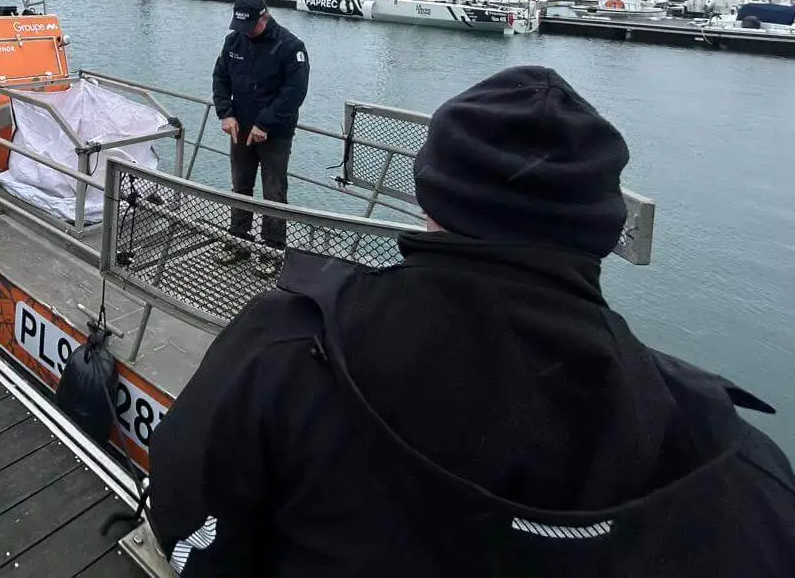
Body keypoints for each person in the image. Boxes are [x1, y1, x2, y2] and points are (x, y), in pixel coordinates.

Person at [148, 66, 795, 576]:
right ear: (601, 229)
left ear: (429, 198)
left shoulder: (286, 347)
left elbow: (183, 520)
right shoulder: (740, 465)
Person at [210, 0, 308, 266]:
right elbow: (220, 78)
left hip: (274, 133)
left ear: (265, 17)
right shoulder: (234, 41)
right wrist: (226, 114)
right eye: (240, 26)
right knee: (240, 185)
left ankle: (272, 250)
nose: (246, 32)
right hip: (240, 128)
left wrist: (265, 123)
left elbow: (295, 92)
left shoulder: (291, 47)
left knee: (274, 192)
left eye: (250, 26)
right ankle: (238, 240)